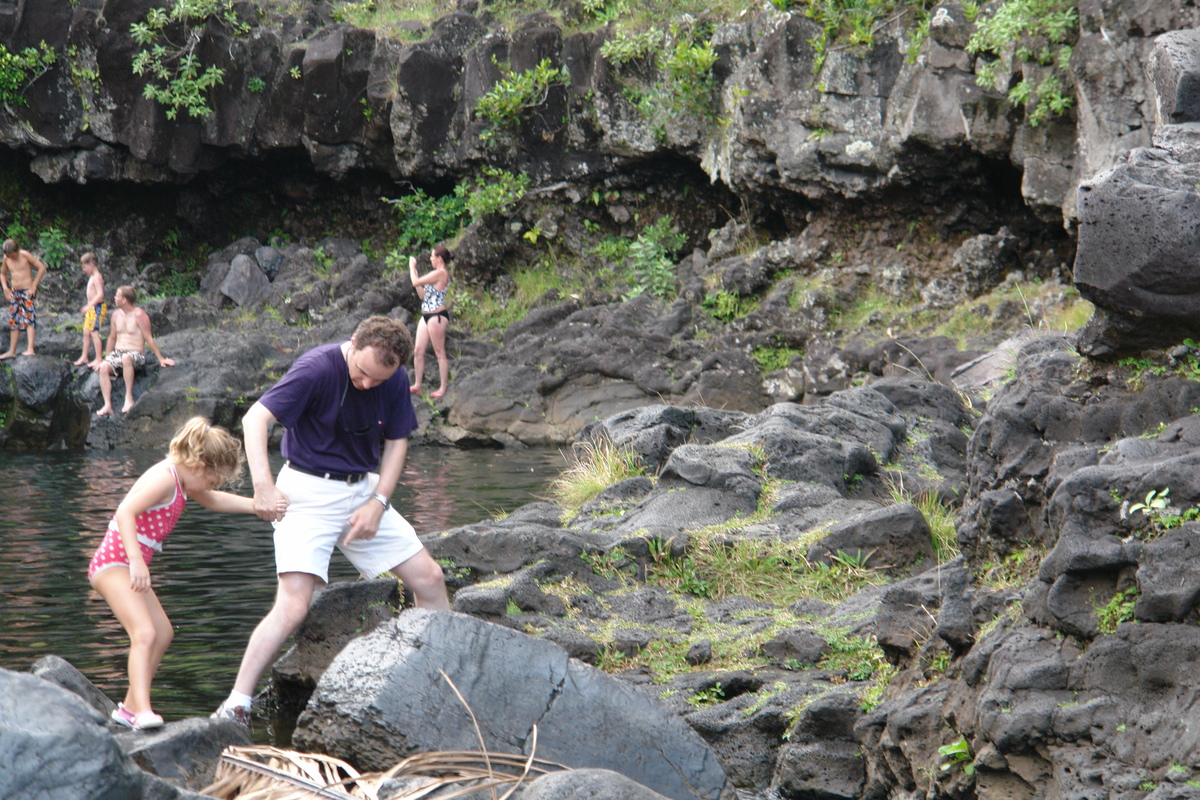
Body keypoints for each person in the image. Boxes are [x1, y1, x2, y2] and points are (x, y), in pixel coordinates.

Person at [212, 316, 449, 726]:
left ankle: (444, 676)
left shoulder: (392, 378)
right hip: (306, 492)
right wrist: (263, 487)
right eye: (361, 374)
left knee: (429, 579)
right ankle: (236, 703)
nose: (367, 385)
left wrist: (378, 501)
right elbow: (255, 420)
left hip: (362, 491)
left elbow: (396, 441)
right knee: (293, 607)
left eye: (378, 380)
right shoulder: (317, 368)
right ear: (353, 343)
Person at [88, 417, 283, 731]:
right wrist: (137, 562)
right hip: (115, 563)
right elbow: (125, 511)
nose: (211, 487)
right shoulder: (165, 477)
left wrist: (259, 506)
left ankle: (128, 708)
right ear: (201, 465)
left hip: (129, 566)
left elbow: (214, 500)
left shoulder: (183, 480)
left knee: (163, 633)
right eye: (212, 480)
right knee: (145, 634)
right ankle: (143, 711)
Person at [93, 286, 175, 416]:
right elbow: (112, 338)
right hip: (118, 353)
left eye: (117, 296)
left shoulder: (139, 315)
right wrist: (105, 359)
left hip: (135, 354)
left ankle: (128, 398)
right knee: (103, 367)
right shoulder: (115, 315)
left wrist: (161, 359)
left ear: (124, 300)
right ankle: (107, 405)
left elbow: (148, 338)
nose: (114, 298)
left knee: (126, 358)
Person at [408, 245, 452, 399]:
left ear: (439, 259)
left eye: (433, 256)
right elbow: (422, 294)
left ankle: (442, 387)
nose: (431, 259)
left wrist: (412, 267)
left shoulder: (441, 273)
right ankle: (417, 384)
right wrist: (415, 273)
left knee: (439, 352)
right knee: (418, 350)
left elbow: (415, 282)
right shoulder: (434, 274)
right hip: (426, 315)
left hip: (437, 316)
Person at [0, 238, 47, 359]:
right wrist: (5, 288)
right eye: (8, 256)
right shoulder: (6, 259)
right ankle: (12, 350)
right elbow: (3, 273)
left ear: (17, 250)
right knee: (14, 320)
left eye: (13, 255)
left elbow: (41, 267)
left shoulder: (25, 255)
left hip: (27, 291)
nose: (11, 258)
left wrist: (34, 285)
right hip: (14, 292)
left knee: (29, 318)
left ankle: (30, 348)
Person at [75, 252, 106, 367]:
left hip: (96, 308)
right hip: (92, 308)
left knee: (94, 333)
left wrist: (89, 306)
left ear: (91, 264)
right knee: (86, 332)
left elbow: (100, 295)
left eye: (84, 267)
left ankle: (99, 358)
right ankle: (84, 356)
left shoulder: (97, 277)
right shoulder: (93, 276)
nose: (83, 270)